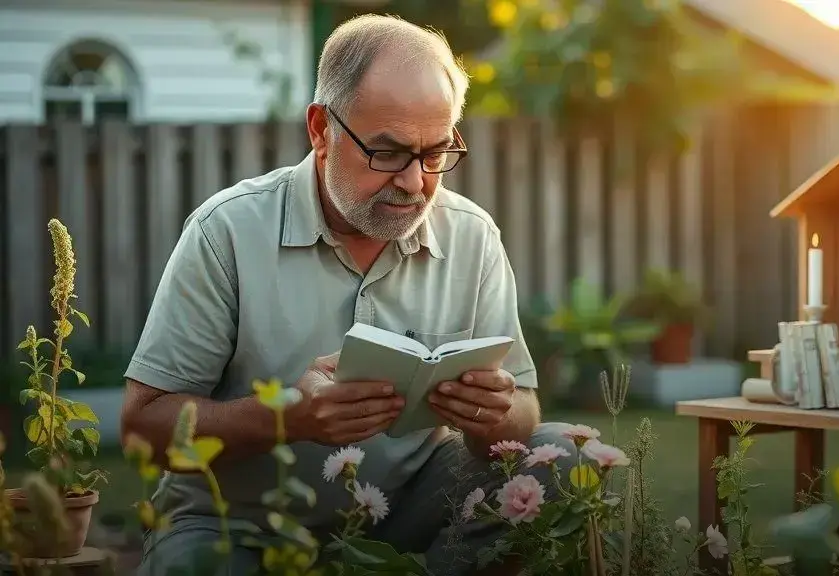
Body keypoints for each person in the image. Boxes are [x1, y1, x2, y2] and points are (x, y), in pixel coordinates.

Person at [121, 13, 578, 576]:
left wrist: (496, 414)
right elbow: (143, 425)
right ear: (320, 130)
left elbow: (525, 408)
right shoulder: (228, 232)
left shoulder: (472, 236)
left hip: (408, 512)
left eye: (435, 153)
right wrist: (289, 416)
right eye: (386, 153)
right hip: (237, 525)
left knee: (560, 457)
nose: (414, 182)